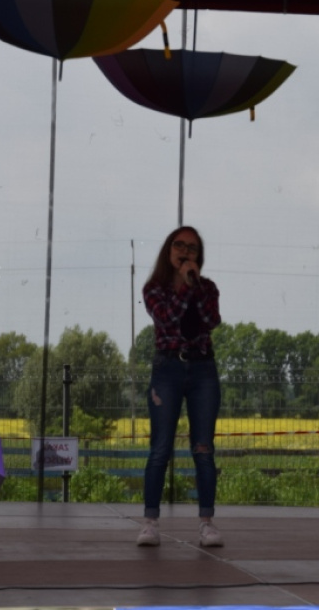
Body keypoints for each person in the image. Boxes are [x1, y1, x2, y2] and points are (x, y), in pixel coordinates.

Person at [136, 226, 223, 548]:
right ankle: (150, 523)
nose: (185, 251)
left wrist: (194, 286)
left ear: (200, 256)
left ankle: (207, 524)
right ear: (168, 251)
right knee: (160, 449)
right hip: (168, 369)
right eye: (179, 245)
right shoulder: (154, 289)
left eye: (192, 248)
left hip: (203, 370)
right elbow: (167, 318)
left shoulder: (207, 287)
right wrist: (186, 287)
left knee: (203, 449)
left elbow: (211, 320)